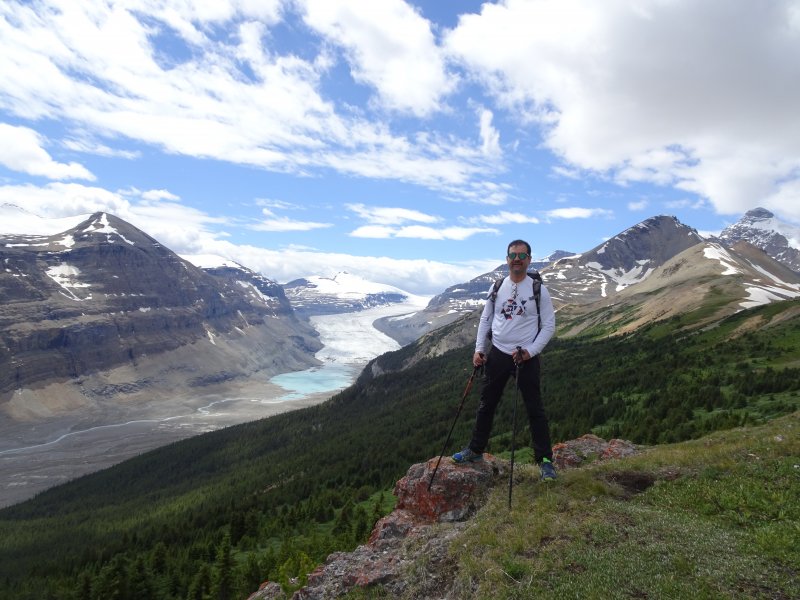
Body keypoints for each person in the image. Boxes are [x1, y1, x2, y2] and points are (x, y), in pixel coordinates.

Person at [452, 239, 558, 481]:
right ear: (507, 259)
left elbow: (549, 325)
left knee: (535, 409)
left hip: (525, 356)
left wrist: (530, 351)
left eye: (522, 255)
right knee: (486, 404)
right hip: (498, 353)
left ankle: (545, 460)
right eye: (513, 255)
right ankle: (476, 449)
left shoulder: (538, 289)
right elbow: (486, 319)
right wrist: (480, 349)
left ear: (529, 259)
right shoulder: (498, 286)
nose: (517, 259)